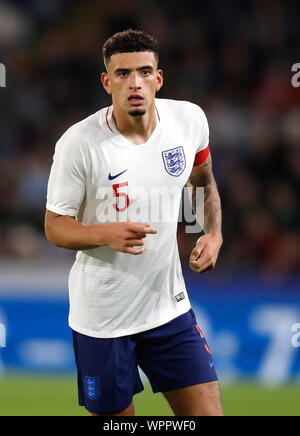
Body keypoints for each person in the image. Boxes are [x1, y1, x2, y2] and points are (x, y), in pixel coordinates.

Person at [45, 29, 223, 417]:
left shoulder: (189, 121)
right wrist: (104, 234)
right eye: (123, 74)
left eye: (144, 71)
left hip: (168, 309)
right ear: (107, 82)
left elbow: (202, 181)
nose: (135, 83)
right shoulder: (79, 144)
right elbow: (55, 226)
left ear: (159, 78)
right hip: (104, 319)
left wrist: (211, 232)